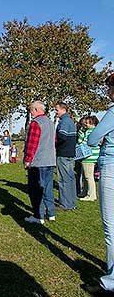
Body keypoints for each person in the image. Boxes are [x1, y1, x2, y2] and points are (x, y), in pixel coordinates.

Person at [85, 73, 114, 294]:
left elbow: (92, 138)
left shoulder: (112, 113)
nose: (107, 91)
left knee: (110, 227)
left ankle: (111, 281)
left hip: (111, 168)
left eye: (109, 88)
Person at [23, 101, 56, 224]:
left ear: (36, 109)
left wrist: (28, 160)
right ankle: (51, 213)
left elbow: (32, 143)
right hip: (50, 160)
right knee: (48, 188)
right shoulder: (50, 123)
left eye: (31, 110)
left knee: (36, 189)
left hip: (38, 162)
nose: (30, 113)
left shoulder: (36, 123)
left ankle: (38, 216)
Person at [55, 102, 77, 210]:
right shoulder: (71, 121)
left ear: (63, 110)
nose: (56, 112)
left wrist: (54, 144)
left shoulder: (64, 121)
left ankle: (65, 204)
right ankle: (72, 202)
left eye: (57, 110)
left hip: (63, 153)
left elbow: (62, 137)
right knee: (70, 178)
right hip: (70, 153)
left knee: (63, 179)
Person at [78, 116, 99, 201]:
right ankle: (85, 192)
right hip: (92, 155)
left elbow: (81, 142)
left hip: (88, 156)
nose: (85, 124)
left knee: (88, 177)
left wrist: (81, 134)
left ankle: (91, 195)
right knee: (86, 176)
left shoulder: (89, 132)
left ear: (92, 123)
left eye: (87, 123)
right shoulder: (95, 131)